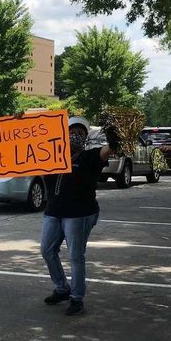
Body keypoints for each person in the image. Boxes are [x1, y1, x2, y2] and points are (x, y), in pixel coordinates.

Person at [40, 116, 111, 316]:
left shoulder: (90, 157)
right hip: (53, 211)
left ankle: (77, 298)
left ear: (86, 137)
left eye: (81, 133)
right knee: (47, 250)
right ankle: (62, 288)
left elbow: (107, 150)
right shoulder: (51, 155)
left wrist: (115, 135)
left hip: (79, 214)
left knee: (75, 256)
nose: (76, 136)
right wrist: (19, 123)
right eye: (73, 132)